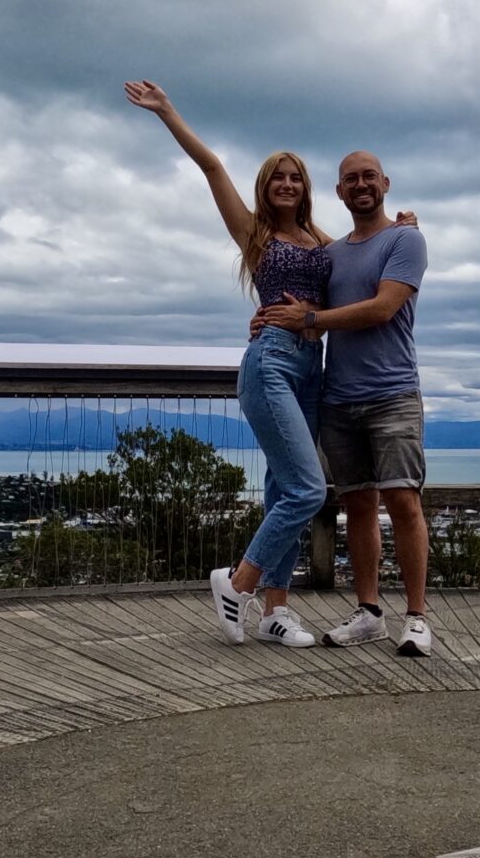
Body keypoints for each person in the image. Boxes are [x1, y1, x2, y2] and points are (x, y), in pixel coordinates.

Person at [123, 80, 333, 648]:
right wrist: (167, 111)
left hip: (310, 368)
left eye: (295, 177)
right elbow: (212, 166)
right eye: (276, 178)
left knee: (283, 486)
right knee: (309, 490)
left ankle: (276, 611)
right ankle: (237, 582)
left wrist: (400, 228)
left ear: (305, 189)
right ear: (265, 189)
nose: (286, 184)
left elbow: (361, 270)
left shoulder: (321, 239)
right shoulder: (255, 234)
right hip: (269, 365)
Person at [258, 150, 432, 657]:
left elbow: (381, 308)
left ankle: (417, 616)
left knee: (403, 501)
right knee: (357, 504)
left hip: (394, 392)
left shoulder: (405, 239)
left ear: (385, 183)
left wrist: (310, 322)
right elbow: (305, 300)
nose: (361, 185)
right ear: (338, 192)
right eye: (351, 179)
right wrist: (268, 318)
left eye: (369, 177)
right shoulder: (331, 253)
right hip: (339, 396)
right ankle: (369, 612)